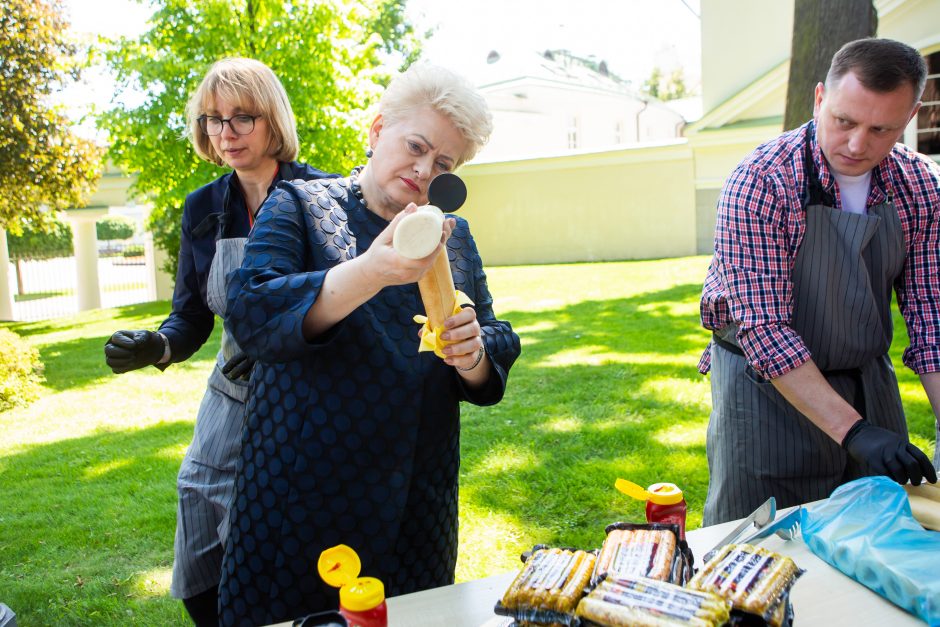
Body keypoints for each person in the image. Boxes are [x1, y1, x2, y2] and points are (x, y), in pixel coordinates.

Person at [218, 63, 521, 626]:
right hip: (303, 498)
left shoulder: (455, 239)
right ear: (378, 129)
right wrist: (371, 271)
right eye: (416, 145)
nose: (424, 169)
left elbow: (493, 347)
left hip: (415, 498)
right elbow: (253, 314)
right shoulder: (303, 206)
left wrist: (471, 354)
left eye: (444, 164)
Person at [102, 58, 333, 625]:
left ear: (272, 119)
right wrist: (155, 345)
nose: (224, 133)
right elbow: (191, 317)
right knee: (199, 502)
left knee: (283, 523)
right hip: (229, 392)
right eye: (211, 120)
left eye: (240, 118)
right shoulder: (204, 207)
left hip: (304, 393)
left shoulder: (322, 194)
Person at [699, 38, 939, 526]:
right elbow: (765, 328)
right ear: (819, 99)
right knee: (762, 547)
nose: (857, 145)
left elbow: (933, 320)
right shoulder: (761, 181)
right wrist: (855, 433)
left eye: (881, 129)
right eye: (844, 121)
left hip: (866, 382)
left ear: (910, 117)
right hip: (763, 391)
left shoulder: (921, 186)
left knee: (884, 537)